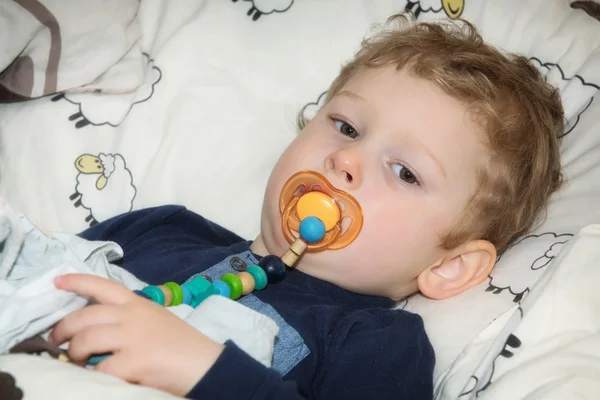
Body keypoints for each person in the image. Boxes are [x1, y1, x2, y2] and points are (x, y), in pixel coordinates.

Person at [48, 14, 564, 400]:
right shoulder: (161, 229)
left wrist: (212, 373)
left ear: (449, 266)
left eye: (405, 171)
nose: (346, 160)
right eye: (346, 127)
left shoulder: (374, 345)